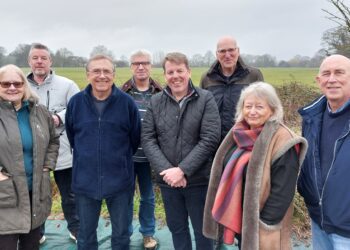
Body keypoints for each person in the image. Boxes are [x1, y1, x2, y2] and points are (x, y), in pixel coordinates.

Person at [203, 82, 308, 250]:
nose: (252, 112)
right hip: (241, 217)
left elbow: (283, 191)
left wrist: (262, 224)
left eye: (259, 107)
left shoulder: (283, 139)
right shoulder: (239, 133)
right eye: (248, 106)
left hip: (261, 226)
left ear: (273, 110)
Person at [142, 52, 221, 250]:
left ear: (189, 72)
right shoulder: (156, 101)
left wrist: (183, 170)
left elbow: (210, 138)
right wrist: (169, 172)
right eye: (170, 72)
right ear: (164, 75)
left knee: (203, 232)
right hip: (169, 182)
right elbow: (148, 139)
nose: (175, 76)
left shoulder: (205, 99)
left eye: (180, 71)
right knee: (177, 229)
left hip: (198, 180)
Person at [66, 54, 141, 250]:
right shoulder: (75, 103)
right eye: (96, 71)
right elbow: (72, 136)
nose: (102, 76)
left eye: (106, 71)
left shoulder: (127, 103)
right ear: (88, 74)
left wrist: (117, 160)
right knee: (86, 236)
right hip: (85, 181)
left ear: (114, 75)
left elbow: (134, 139)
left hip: (120, 182)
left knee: (121, 236)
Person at [0, 64, 59, 250]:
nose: (12, 88)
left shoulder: (39, 112)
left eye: (17, 83)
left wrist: (46, 167)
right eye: (5, 83)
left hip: (35, 190)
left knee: (31, 244)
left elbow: (53, 141)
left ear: (25, 85)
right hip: (5, 194)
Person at [27, 43, 80, 244]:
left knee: (70, 194)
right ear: (29, 61)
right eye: (35, 58)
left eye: (43, 58)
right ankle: (36, 233)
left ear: (50, 61)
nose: (39, 61)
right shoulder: (21, 85)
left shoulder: (67, 85)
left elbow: (78, 108)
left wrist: (59, 117)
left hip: (63, 149)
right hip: (31, 151)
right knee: (36, 194)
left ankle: (76, 228)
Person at [298, 54, 350, 249]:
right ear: (319, 81)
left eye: (339, 73)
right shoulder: (311, 117)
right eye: (326, 74)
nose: (332, 79)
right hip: (319, 221)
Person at [121, 49, 162, 250]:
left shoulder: (161, 93)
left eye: (145, 62)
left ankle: (148, 234)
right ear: (131, 67)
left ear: (150, 66)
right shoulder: (121, 92)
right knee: (125, 197)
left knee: (147, 197)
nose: (141, 66)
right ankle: (125, 233)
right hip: (127, 157)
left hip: (150, 157)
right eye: (136, 63)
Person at [200, 36, 264, 139]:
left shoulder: (253, 75)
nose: (227, 55)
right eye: (222, 51)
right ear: (217, 54)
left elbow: (263, 108)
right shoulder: (207, 78)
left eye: (231, 50)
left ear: (238, 51)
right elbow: (202, 112)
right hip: (215, 142)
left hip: (245, 140)